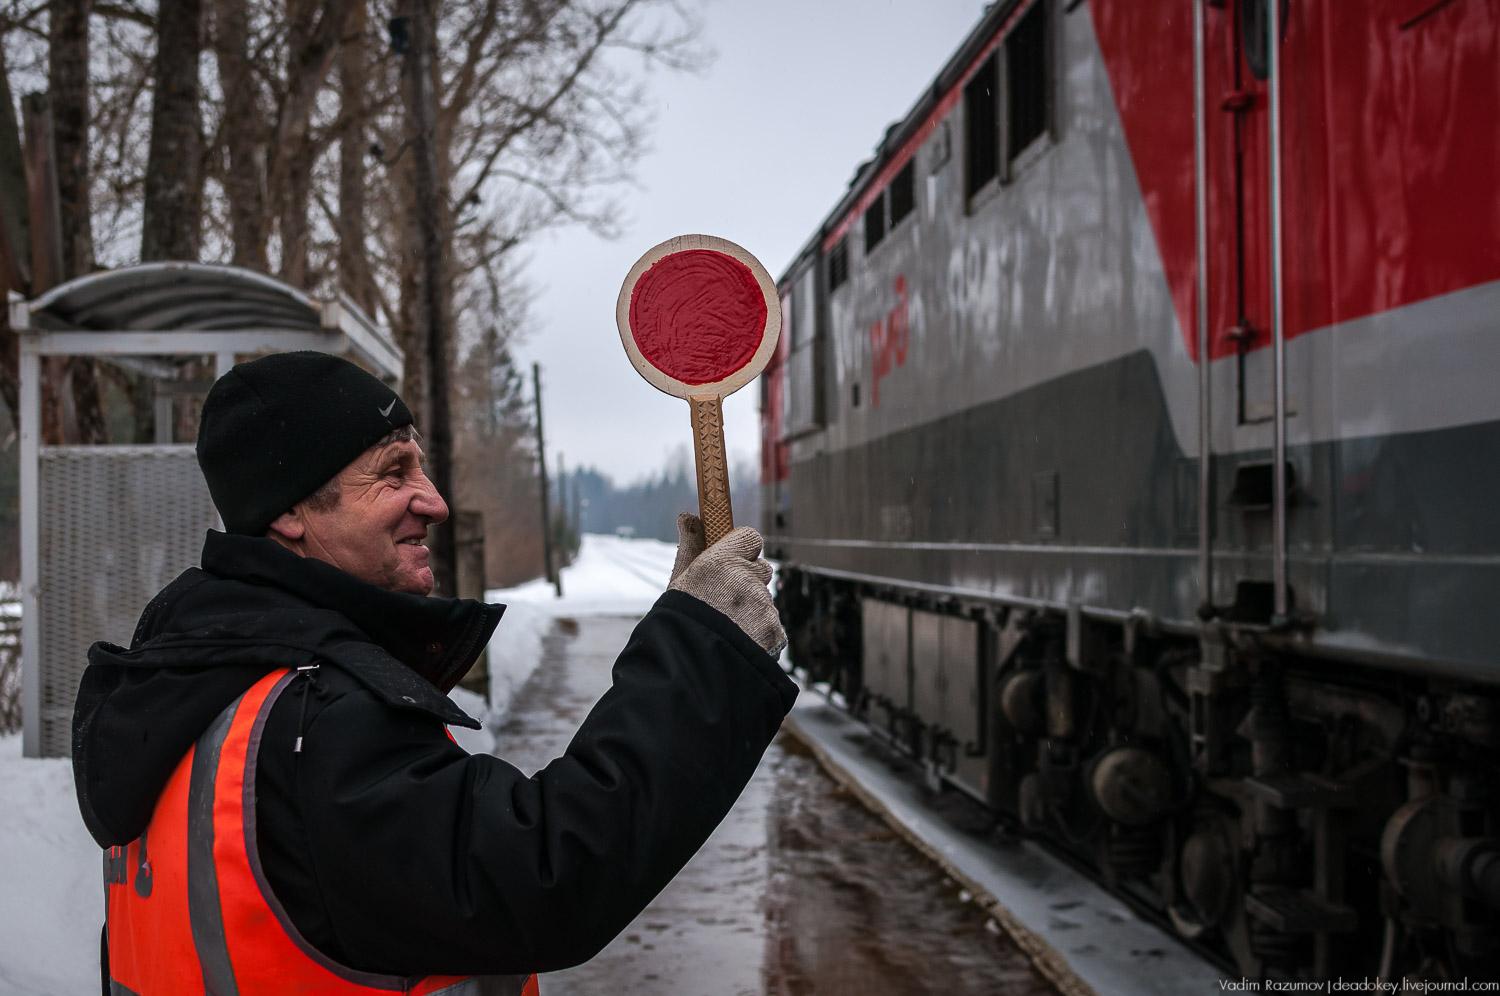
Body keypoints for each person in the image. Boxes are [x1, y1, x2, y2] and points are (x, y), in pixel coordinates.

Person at [72, 350, 796, 995]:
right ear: (290, 511)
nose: (436, 502)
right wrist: (704, 649)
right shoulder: (310, 724)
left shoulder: (190, 692)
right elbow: (544, 875)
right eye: (394, 474)